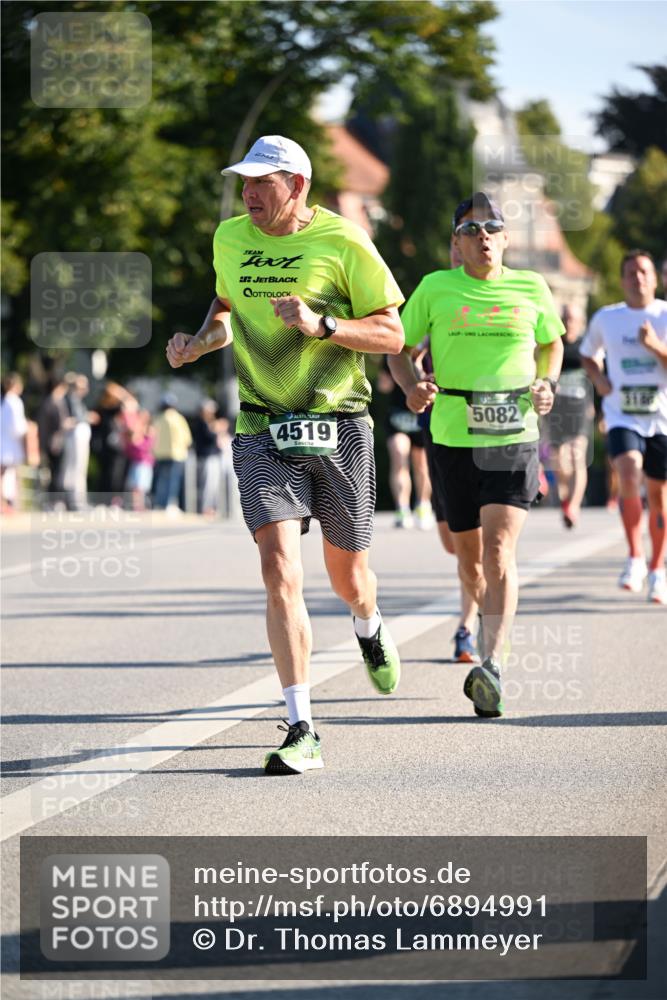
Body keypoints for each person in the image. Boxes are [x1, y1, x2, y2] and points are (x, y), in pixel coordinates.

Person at [166, 134, 404, 774]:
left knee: (347, 576)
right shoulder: (230, 238)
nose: (248, 193)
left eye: (261, 183)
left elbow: (391, 331)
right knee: (279, 571)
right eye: (244, 181)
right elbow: (226, 312)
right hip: (262, 425)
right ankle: (302, 725)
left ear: (296, 186)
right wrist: (197, 343)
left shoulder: (345, 241)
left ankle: (369, 623)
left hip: (340, 424)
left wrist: (323, 325)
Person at [390, 192, 564, 718]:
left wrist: (546, 381)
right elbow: (398, 343)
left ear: (506, 238)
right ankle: (477, 620)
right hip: (452, 436)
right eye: (471, 229)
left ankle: (492, 665)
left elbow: (552, 343)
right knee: (469, 563)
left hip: (513, 433)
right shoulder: (435, 288)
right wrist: (412, 385)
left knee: (499, 552)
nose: (483, 236)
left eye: (492, 227)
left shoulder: (531, 286)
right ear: (456, 243)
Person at [580, 249, 667, 603]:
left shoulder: (664, 315)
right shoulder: (607, 318)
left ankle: (657, 569)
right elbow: (587, 353)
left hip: (661, 417)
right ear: (622, 279)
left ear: (655, 278)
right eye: (631, 272)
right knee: (628, 472)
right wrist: (599, 380)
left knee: (659, 498)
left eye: (644, 272)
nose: (638, 278)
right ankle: (634, 557)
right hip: (622, 414)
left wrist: (655, 347)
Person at [544, 304, 593, 529]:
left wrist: (596, 408)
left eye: (572, 318)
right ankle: (565, 499)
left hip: (579, 408)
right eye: (564, 318)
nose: (568, 322)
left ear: (580, 321)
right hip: (556, 409)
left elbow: (595, 374)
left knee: (577, 455)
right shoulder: (554, 345)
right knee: (560, 461)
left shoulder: (585, 345)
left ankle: (573, 506)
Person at [376, 360, 434, 529]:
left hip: (421, 418)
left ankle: (423, 505)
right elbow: (383, 387)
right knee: (399, 459)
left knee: (421, 465)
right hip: (398, 417)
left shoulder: (429, 358)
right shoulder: (393, 355)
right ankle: (402, 509)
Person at [152, 394, 192, 512]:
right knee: (173, 480)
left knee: (161, 480)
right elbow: (187, 438)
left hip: (159, 453)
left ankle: (159, 503)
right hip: (176, 454)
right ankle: (170, 503)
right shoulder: (178, 419)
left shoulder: (157, 418)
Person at [0, 373, 27, 513]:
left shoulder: (3, 401)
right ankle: (11, 505)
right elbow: (18, 427)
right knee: (13, 475)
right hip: (11, 444)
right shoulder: (15, 401)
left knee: (3, 475)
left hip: (3, 443)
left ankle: (5, 503)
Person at [192, 399, 223, 515]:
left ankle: (211, 507)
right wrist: (217, 430)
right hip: (207, 457)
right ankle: (205, 508)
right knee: (207, 484)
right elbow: (210, 437)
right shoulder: (201, 423)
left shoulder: (207, 422)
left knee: (213, 485)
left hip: (212, 456)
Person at [125, 408, 155, 511]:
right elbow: (130, 445)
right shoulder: (136, 428)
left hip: (144, 461)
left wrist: (137, 440)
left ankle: (139, 506)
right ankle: (137, 506)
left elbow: (148, 445)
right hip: (136, 460)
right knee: (136, 486)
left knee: (141, 486)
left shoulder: (149, 430)